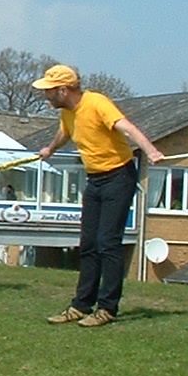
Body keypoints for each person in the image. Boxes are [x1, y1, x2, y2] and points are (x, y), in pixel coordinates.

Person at [33, 65, 164, 326]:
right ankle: (81, 305)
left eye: (48, 91)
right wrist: (51, 149)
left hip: (119, 177)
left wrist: (150, 151)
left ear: (63, 90)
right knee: (89, 244)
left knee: (108, 243)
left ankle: (107, 308)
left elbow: (127, 127)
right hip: (95, 179)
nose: (45, 96)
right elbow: (65, 133)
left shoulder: (96, 103)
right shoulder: (67, 113)